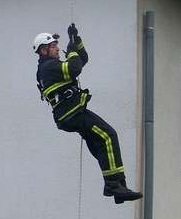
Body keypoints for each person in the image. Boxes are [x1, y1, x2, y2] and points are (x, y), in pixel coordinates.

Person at [33, 24, 143, 204]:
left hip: (72, 113)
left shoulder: (52, 65)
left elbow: (82, 59)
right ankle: (114, 185)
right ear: (43, 50)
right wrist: (71, 51)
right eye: (53, 46)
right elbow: (74, 68)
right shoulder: (48, 67)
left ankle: (118, 187)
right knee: (108, 135)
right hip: (71, 113)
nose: (57, 49)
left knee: (98, 143)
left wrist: (76, 41)